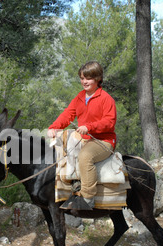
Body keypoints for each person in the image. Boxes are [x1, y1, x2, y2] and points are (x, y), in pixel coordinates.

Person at [48, 61, 117, 209]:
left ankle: (87, 198)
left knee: (85, 156)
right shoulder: (79, 97)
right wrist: (54, 127)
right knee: (60, 142)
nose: (84, 81)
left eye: (88, 78)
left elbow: (109, 122)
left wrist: (90, 127)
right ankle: (71, 185)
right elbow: (68, 114)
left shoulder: (106, 99)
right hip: (84, 138)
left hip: (103, 141)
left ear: (98, 78)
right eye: (82, 78)